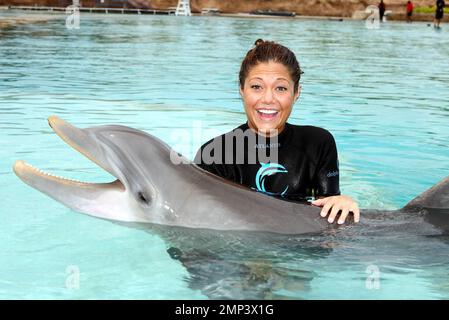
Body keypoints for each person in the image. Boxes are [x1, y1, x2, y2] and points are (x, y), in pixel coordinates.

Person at [194, 39, 360, 225]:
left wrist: (341, 201)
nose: (268, 99)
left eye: (280, 88)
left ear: (296, 93)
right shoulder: (215, 154)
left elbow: (329, 214)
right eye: (257, 87)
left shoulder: (318, 143)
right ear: (241, 89)